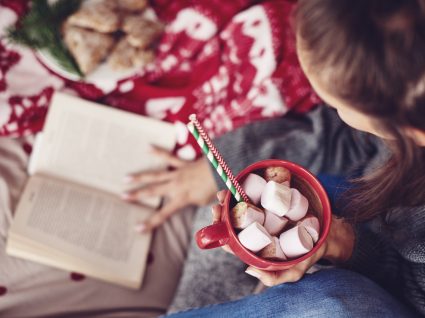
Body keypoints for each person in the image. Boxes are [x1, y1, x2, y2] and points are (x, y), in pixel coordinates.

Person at [163, 0, 425, 316]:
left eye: (338, 104)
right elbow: (349, 136)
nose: (334, 112)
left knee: (332, 306)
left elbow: (414, 289)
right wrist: (217, 167)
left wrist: (349, 249)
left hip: (398, 292)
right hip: (380, 209)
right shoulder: (403, 85)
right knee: (248, 201)